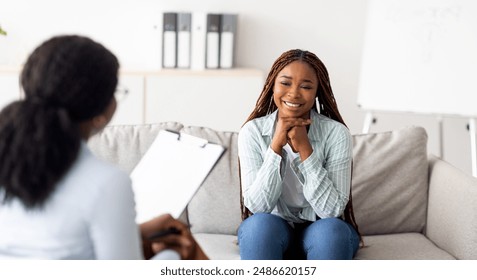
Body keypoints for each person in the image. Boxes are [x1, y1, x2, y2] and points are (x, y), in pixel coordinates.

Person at [0, 35, 207, 260]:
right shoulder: (106, 183)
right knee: (183, 247)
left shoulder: (8, 160)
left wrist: (136, 232)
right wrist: (172, 255)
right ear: (100, 114)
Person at [237, 49, 361, 260]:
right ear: (272, 86)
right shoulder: (252, 132)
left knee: (331, 233)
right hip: (273, 227)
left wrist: (306, 150)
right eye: (285, 83)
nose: (294, 93)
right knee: (258, 228)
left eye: (305, 86)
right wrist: (275, 147)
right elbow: (258, 207)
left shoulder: (336, 133)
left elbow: (331, 211)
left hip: (321, 227)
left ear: (316, 92)